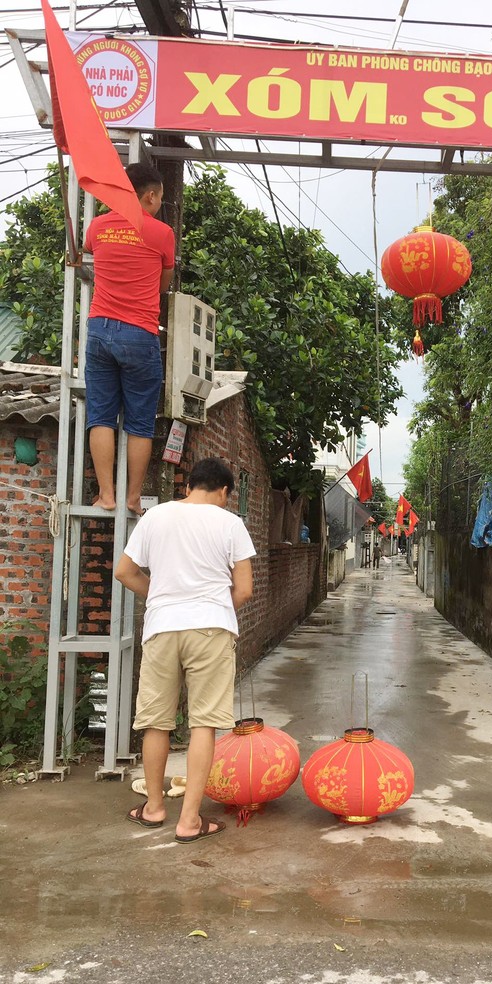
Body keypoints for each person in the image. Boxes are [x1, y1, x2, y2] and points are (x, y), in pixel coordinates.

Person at [115, 458, 255, 843]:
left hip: (161, 627)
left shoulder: (155, 516)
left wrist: (162, 598)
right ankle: (190, 820)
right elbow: (243, 590)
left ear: (190, 485)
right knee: (203, 723)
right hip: (211, 627)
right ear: (224, 491)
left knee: (156, 722)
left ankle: (155, 808)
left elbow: (124, 571)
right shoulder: (230, 524)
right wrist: (213, 606)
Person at [84, 162, 176, 514]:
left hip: (99, 328)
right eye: (159, 199)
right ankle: (133, 497)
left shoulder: (98, 226)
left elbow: (91, 258)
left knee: (101, 417)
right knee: (139, 422)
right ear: (150, 195)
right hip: (139, 332)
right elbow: (163, 285)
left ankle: (106, 495)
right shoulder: (161, 233)